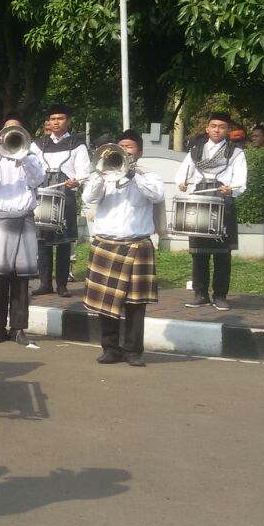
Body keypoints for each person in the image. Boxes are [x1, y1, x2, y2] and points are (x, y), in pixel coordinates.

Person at [82, 130, 164, 367]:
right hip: (107, 243)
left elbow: (157, 196)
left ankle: (133, 351)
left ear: (139, 152)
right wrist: (100, 173)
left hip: (137, 244)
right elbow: (89, 197)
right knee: (105, 302)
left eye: (130, 147)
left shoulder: (149, 176)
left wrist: (133, 174)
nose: (125, 150)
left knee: (136, 304)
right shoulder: (103, 175)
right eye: (121, 146)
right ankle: (110, 348)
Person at [0, 112, 46, 345]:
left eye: (16, 131)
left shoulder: (33, 156)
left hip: (25, 217)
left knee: (22, 276)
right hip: (1, 218)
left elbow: (38, 180)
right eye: (8, 131)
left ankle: (18, 328)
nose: (11, 136)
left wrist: (24, 156)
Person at [175, 111, 248, 310]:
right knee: (199, 252)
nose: (217, 129)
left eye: (221, 126)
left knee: (222, 253)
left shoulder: (236, 153)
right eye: (213, 126)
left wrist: (232, 188)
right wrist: (182, 183)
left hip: (223, 201)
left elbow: (241, 181)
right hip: (200, 200)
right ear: (207, 128)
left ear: (227, 130)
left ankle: (220, 295)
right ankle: (200, 294)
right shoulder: (195, 151)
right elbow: (183, 174)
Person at [31, 104, 90, 297]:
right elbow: (31, 168)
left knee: (64, 242)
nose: (56, 122)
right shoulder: (39, 145)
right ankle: (45, 283)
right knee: (42, 241)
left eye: (61, 118)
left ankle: (62, 285)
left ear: (68, 121)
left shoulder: (77, 145)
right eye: (53, 118)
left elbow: (83, 172)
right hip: (43, 196)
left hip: (66, 196)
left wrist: (76, 182)